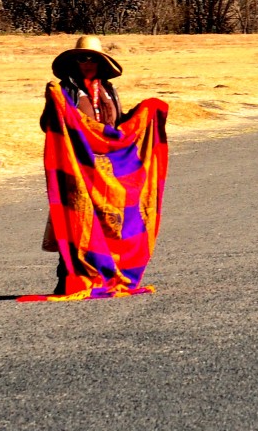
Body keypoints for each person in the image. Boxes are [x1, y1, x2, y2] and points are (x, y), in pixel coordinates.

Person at [25, 35, 171, 301]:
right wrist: (54, 103)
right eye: (83, 58)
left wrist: (145, 112)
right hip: (80, 163)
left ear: (101, 62)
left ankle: (110, 274)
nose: (88, 63)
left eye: (93, 58)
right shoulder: (66, 91)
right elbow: (50, 124)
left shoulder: (107, 89)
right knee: (78, 219)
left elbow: (116, 126)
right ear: (75, 62)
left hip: (109, 168)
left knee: (111, 222)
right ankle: (69, 277)